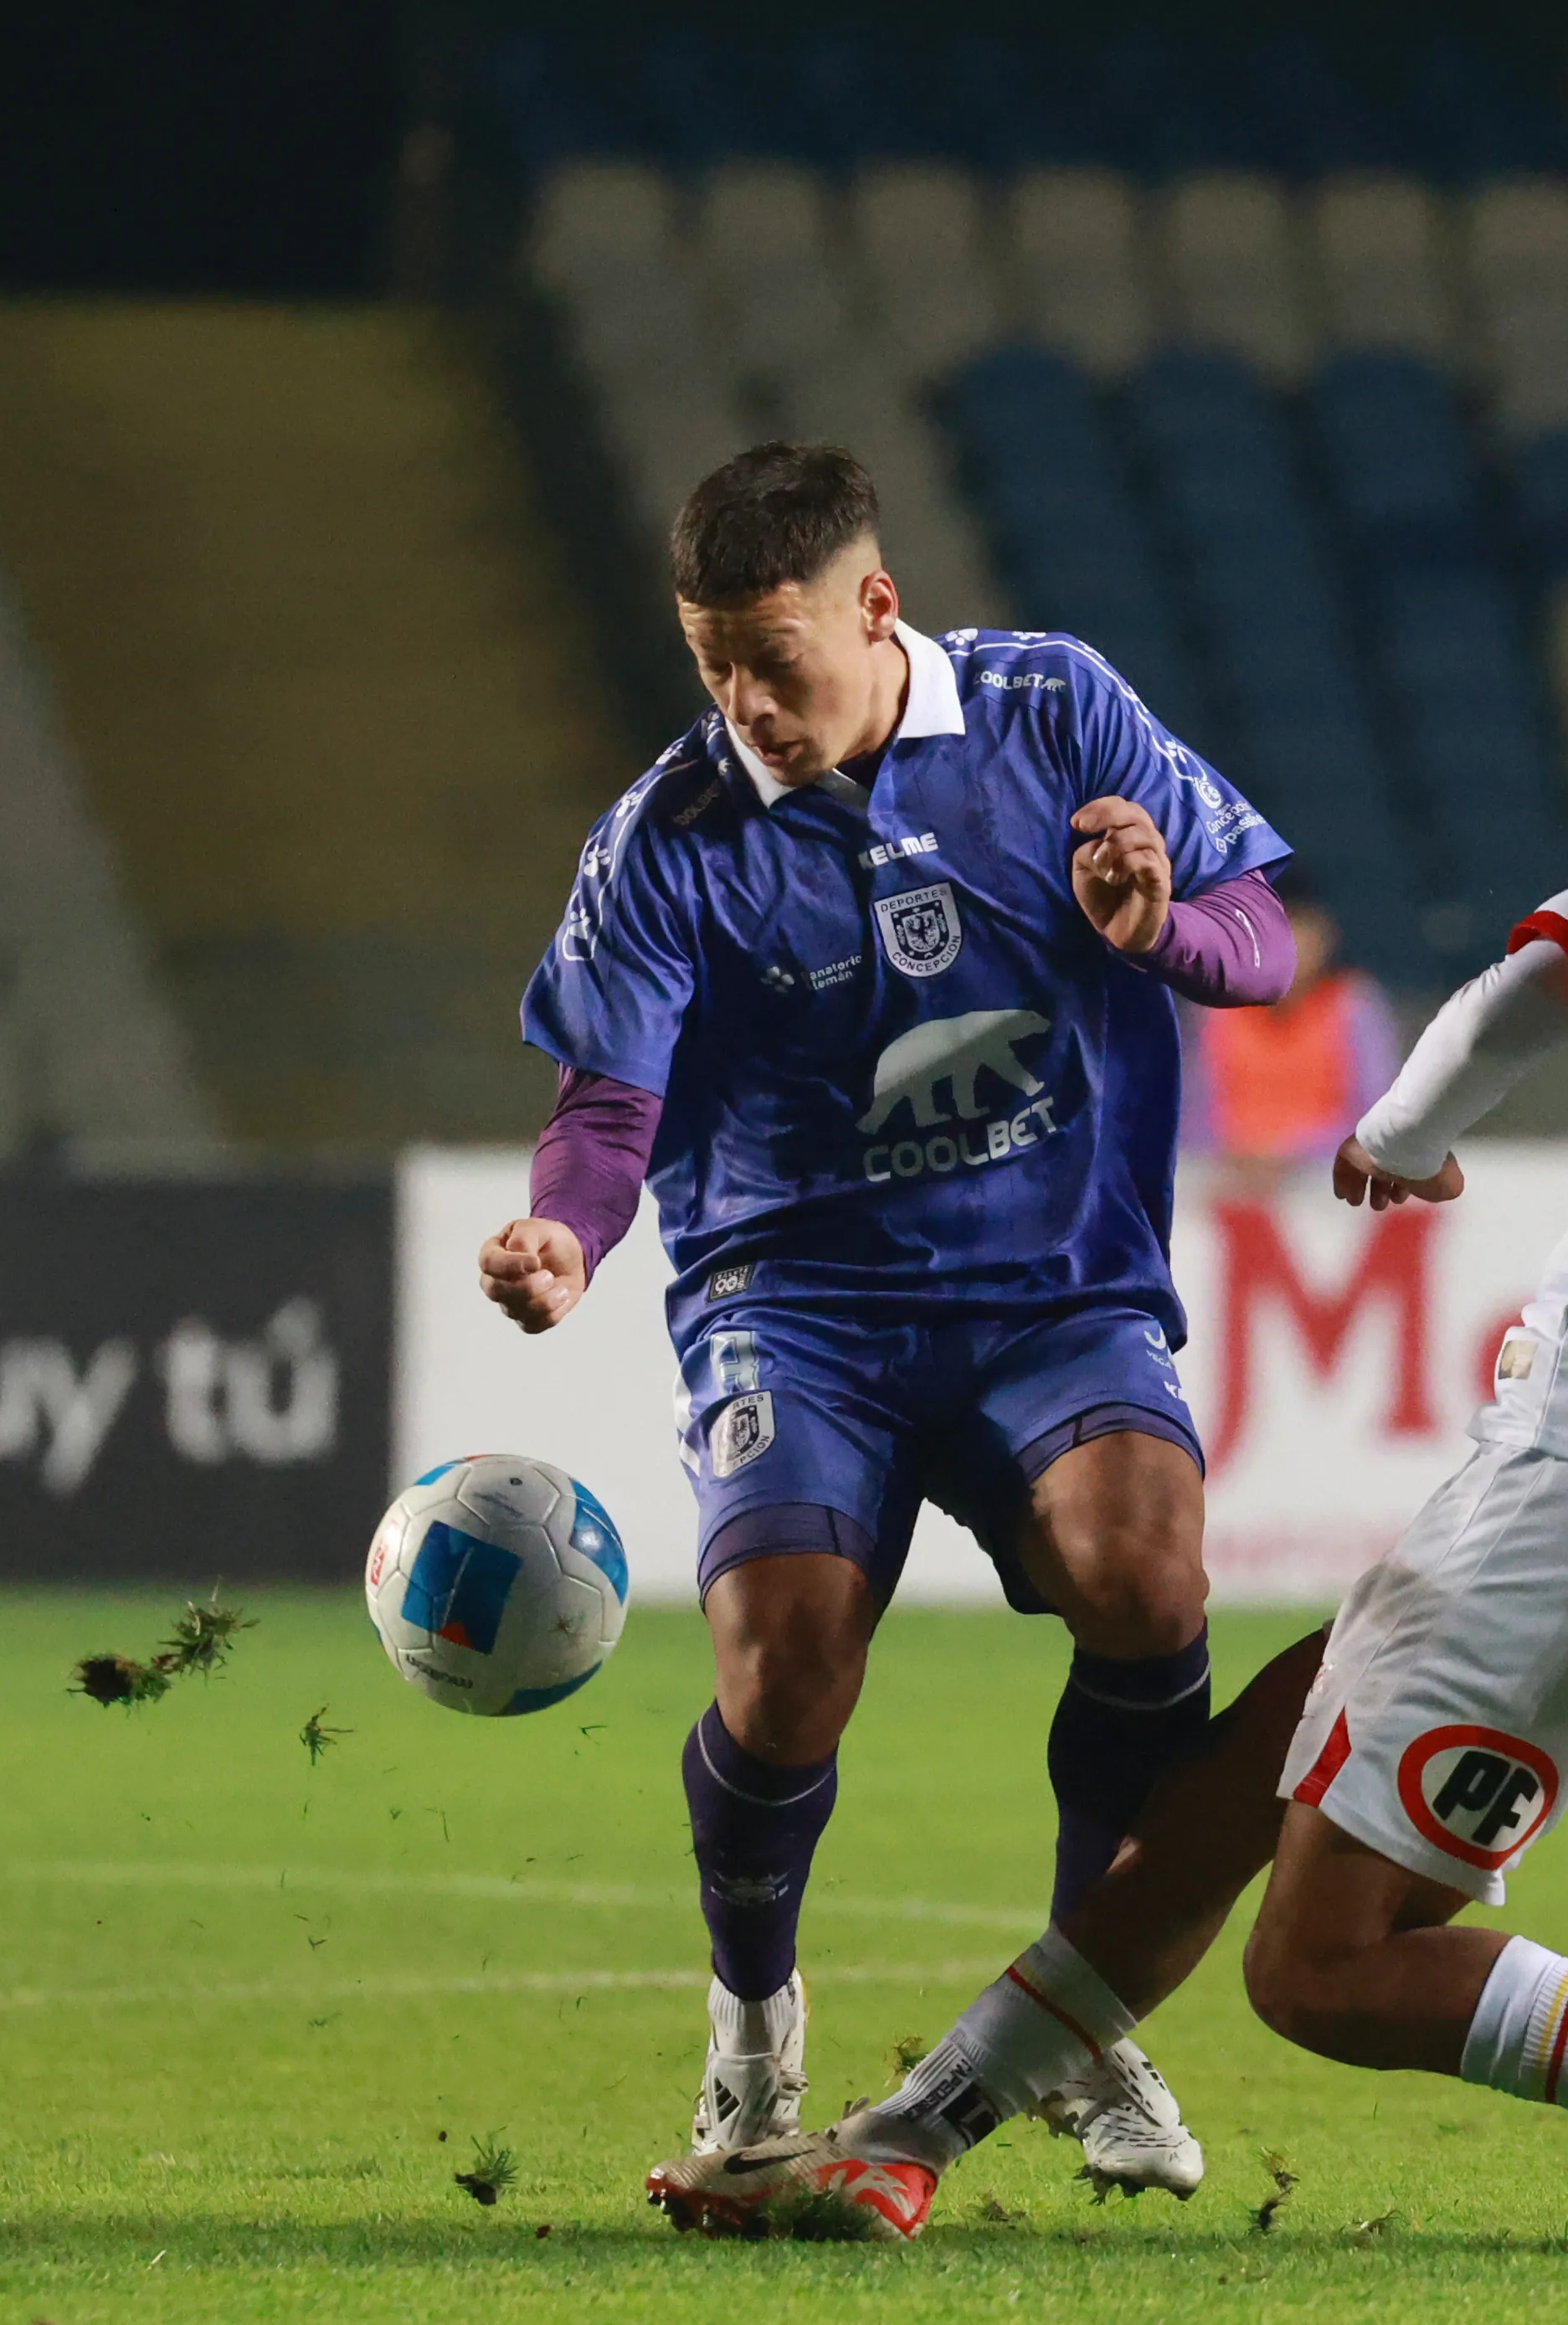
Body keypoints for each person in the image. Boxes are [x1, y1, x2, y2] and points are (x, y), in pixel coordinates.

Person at [648, 603, 1568, 2260]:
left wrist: (1400, 1132)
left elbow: (1541, 975)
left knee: (1319, 1961)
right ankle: (908, 2134)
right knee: (1257, 1768)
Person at [476, 442, 1296, 2192]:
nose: (742, 700)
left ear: (873, 603)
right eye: (709, 661)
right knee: (782, 1669)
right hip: (800, 1301)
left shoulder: (1054, 708)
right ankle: (753, 2034)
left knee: (1148, 1573)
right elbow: (609, 1105)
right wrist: (564, 1231)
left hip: (1052, 1283)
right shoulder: (666, 839)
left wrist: (1166, 930)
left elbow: (1256, 932)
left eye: (770, 653)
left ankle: (1081, 2022)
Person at [1177, 866, 1402, 1178]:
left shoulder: (1354, 1005)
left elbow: (1379, 1117)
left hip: (1327, 1184)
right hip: (1227, 1180)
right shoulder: (1214, 1007)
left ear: (1325, 936)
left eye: (1299, 928)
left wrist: (1292, 1154)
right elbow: (1191, 1111)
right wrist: (1233, 1151)